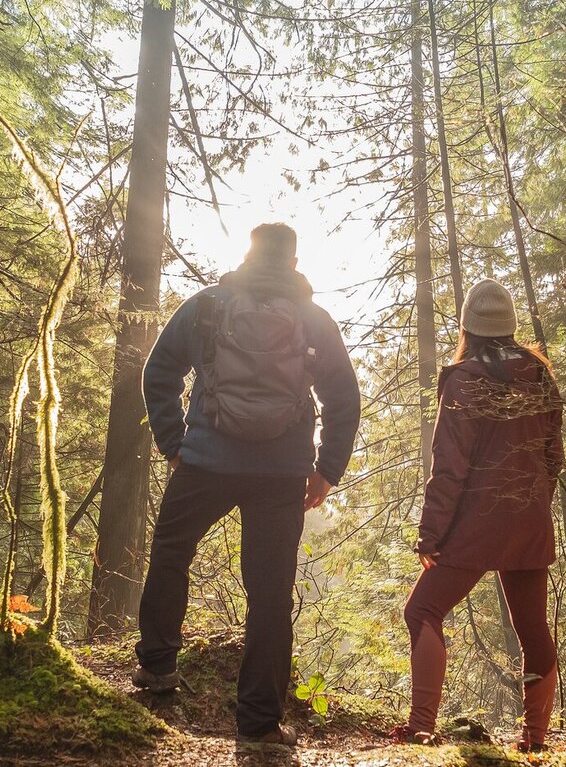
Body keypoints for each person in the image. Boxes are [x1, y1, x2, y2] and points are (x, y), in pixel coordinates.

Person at [132, 222, 361, 750]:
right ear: (294, 261)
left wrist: (174, 442)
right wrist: (327, 469)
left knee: (171, 552)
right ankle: (259, 723)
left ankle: (158, 668)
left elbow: (159, 373)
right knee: (270, 593)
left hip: (206, 462)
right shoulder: (313, 319)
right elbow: (343, 401)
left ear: (248, 253)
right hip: (281, 473)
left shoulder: (207, 306)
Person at [394, 278, 563, 752]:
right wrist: (531, 506)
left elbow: (449, 468)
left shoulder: (466, 380)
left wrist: (430, 535)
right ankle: (534, 739)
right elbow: (553, 458)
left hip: (472, 527)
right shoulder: (539, 375)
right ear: (510, 326)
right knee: (532, 629)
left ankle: (421, 727)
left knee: (422, 609)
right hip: (528, 521)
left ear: (468, 326)